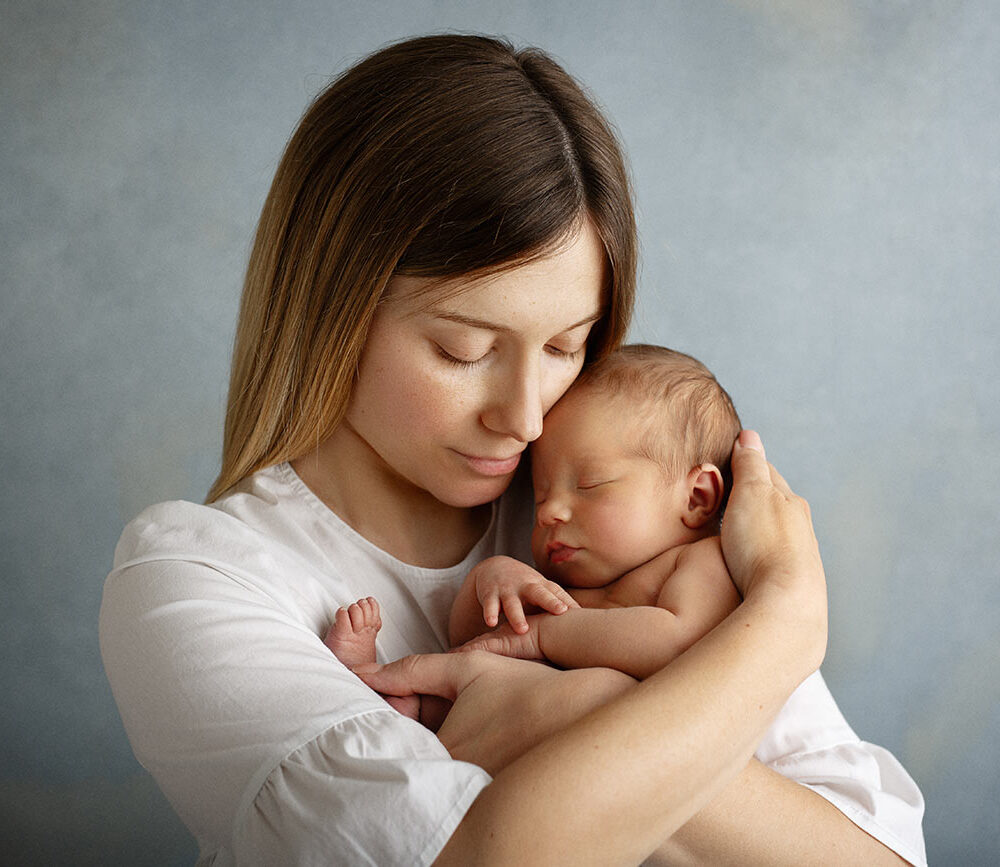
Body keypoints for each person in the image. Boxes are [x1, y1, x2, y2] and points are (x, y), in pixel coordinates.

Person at [99, 34, 927, 866]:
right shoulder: (199, 582)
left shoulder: (613, 522)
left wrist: (569, 707)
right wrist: (785, 621)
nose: (528, 418)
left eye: (568, 346)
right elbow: (480, 856)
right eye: (464, 350)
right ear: (330, 310)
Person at [327, 344, 743, 683]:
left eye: (589, 485)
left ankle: (386, 683)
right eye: (541, 494)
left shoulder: (704, 561)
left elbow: (680, 644)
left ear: (697, 497)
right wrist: (491, 580)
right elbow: (473, 641)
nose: (548, 513)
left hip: (600, 749)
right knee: (450, 685)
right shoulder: (563, 587)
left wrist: (544, 635)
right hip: (493, 721)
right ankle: (369, 681)